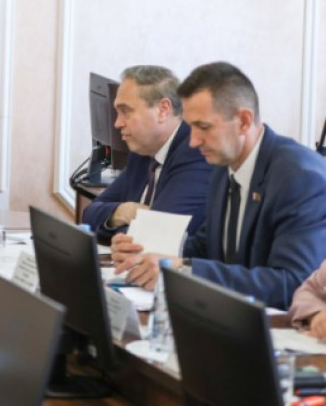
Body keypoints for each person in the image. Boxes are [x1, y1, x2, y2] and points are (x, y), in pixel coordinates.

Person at [112, 62, 326, 310]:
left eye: (203, 127)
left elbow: (291, 284)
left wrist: (185, 269)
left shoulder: (299, 177)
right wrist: (143, 250)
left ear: (243, 121)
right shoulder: (224, 164)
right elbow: (208, 247)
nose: (193, 141)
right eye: (191, 127)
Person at [81, 65, 213, 239]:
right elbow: (89, 214)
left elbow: (157, 234)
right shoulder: (143, 150)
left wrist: (115, 223)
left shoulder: (196, 154)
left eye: (125, 111)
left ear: (163, 110)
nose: (117, 123)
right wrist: (125, 211)